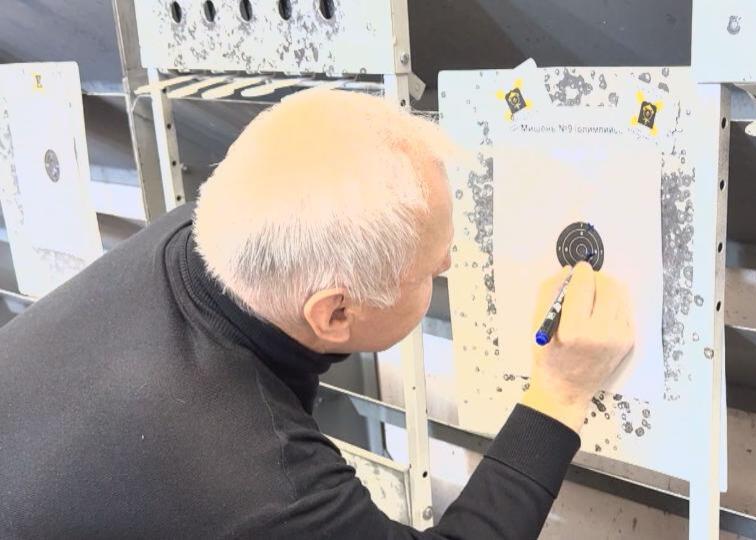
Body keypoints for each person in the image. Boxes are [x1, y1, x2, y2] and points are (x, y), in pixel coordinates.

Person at [0, 89, 633, 538]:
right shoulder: (258, 478)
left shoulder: (212, 232)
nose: (448, 262)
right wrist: (559, 393)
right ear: (334, 314)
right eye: (429, 271)